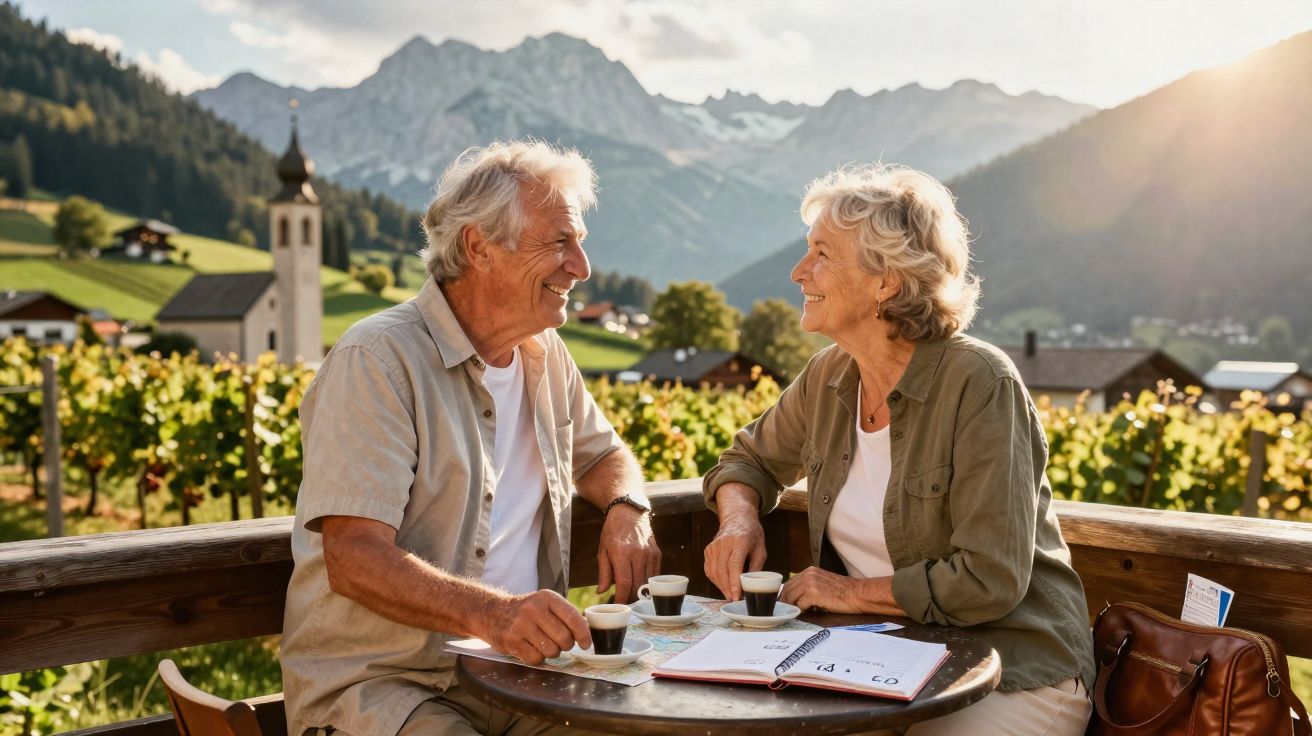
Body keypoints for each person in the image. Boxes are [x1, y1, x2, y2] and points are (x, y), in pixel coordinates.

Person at [281, 141, 661, 736]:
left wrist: (626, 507)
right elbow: (353, 556)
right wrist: (495, 614)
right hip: (387, 685)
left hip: (521, 674)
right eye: (559, 242)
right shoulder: (378, 358)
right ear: (479, 247)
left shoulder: (544, 354)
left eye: (579, 241)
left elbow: (606, 454)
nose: (582, 267)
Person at [702, 164, 1096, 735]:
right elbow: (748, 461)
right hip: (881, 660)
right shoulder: (829, 375)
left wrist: (847, 592)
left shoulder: (981, 381)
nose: (798, 272)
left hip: (1011, 668)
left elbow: (989, 578)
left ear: (886, 280)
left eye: (821, 254)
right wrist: (737, 520)